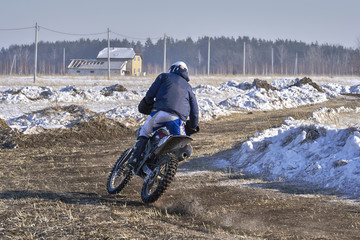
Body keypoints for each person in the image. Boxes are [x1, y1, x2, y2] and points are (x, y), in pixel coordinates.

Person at [128, 61, 199, 168]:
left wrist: (147, 103)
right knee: (180, 145)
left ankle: (135, 159)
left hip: (159, 114)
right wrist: (192, 126)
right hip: (177, 120)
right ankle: (165, 169)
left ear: (172, 69)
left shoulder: (164, 77)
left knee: (144, 131)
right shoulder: (189, 87)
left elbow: (150, 94)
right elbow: (195, 111)